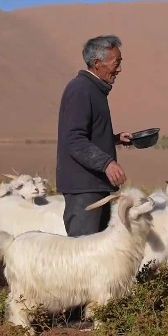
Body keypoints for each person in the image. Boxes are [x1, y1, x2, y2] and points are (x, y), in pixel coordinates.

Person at [56, 34, 132, 237]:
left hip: (94, 186)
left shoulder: (94, 90)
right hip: (83, 189)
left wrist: (113, 139)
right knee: (82, 253)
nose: (120, 69)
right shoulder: (81, 89)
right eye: (116, 63)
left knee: (97, 253)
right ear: (97, 63)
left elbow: (86, 134)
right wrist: (106, 163)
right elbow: (73, 139)